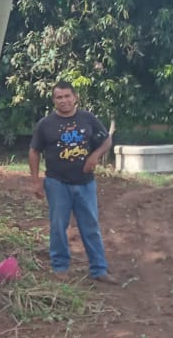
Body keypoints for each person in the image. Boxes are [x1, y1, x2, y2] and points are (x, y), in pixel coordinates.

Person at [28, 80, 118, 284]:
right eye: (59, 97)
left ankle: (99, 269)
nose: (64, 101)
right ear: (54, 100)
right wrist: (35, 181)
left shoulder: (88, 119)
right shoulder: (46, 124)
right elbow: (34, 151)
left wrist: (94, 156)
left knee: (90, 225)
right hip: (56, 183)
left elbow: (106, 140)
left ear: (75, 97)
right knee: (59, 226)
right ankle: (60, 266)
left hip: (85, 183)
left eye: (67, 96)